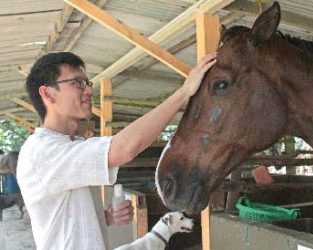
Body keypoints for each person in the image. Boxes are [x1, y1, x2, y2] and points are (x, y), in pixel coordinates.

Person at [17, 51, 217, 250]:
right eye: (77, 82)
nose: (87, 90)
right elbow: (123, 148)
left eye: (87, 83)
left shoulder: (69, 146)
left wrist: (107, 217)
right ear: (47, 94)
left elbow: (61, 220)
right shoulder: (42, 152)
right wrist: (184, 92)